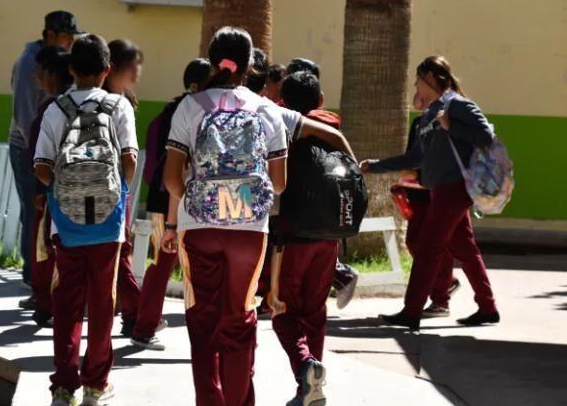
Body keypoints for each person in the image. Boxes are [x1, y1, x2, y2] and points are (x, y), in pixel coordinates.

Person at [163, 27, 288, 406]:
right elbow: (279, 184)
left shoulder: (190, 106)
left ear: (212, 60)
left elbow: (171, 179)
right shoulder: (267, 110)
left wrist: (198, 201)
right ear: (250, 66)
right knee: (239, 317)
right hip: (249, 228)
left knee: (202, 320)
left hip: (198, 227)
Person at [34, 34, 138, 406]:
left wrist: (62, 192)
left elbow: (41, 166)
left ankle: (64, 387)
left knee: (66, 304)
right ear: (107, 70)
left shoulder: (55, 109)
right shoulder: (118, 106)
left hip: (67, 225)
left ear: (71, 69)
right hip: (108, 223)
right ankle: (96, 384)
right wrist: (117, 194)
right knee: (103, 303)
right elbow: (129, 160)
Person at [361, 56, 499, 330]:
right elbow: (414, 157)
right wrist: (375, 166)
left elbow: (486, 136)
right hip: (440, 189)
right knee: (465, 249)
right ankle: (488, 307)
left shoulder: (457, 105)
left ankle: (411, 312)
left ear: (432, 79)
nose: (415, 86)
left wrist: (451, 126)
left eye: (418, 80)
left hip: (454, 188)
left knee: (428, 249)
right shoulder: (430, 114)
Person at [272, 71, 355, 406]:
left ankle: (306, 366)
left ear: (282, 102)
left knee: (281, 310)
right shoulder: (334, 130)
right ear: (320, 100)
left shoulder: (284, 129)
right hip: (329, 238)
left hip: (292, 238)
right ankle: (311, 388)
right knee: (314, 312)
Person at [130, 58, 212, 351]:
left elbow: (153, 164)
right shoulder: (193, 112)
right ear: (196, 85)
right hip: (175, 199)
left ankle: (145, 323)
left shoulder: (168, 112)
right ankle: (143, 328)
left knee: (161, 263)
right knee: (164, 263)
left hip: (161, 197)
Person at [9, 10, 84, 293]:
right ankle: (33, 273)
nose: (69, 42)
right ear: (50, 34)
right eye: (66, 36)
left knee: (46, 214)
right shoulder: (30, 63)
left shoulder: (62, 62)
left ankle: (45, 273)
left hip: (50, 150)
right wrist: (41, 152)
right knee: (34, 210)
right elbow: (25, 115)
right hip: (27, 146)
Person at [402, 91, 462, 318]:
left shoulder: (445, 125)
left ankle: (440, 298)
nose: (417, 94)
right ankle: (447, 281)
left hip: (437, 191)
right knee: (413, 241)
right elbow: (412, 156)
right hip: (417, 190)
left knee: (437, 246)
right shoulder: (418, 123)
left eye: (422, 90)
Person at [27, 47, 74, 327]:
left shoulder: (51, 107)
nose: (37, 77)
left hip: (52, 188)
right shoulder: (92, 104)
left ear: (54, 75)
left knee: (45, 247)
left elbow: (38, 154)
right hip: (86, 190)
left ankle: (45, 303)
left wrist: (39, 189)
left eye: (41, 72)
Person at [102, 38, 145, 336]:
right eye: (132, 65)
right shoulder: (115, 103)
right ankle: (135, 312)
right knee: (119, 250)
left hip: (109, 188)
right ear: (113, 67)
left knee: (118, 250)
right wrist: (123, 187)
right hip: (113, 187)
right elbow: (129, 155)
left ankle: (131, 311)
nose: (138, 71)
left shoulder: (123, 100)